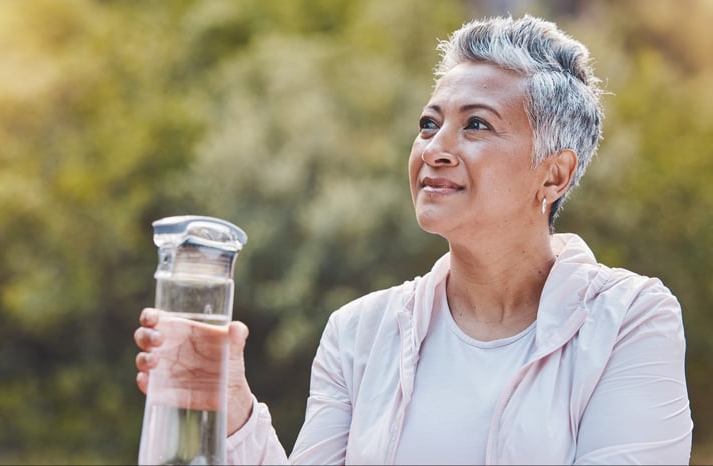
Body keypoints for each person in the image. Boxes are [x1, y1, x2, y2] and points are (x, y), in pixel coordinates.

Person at [134, 15, 693, 464]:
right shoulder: (359, 332)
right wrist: (232, 406)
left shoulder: (629, 320)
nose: (435, 149)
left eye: (476, 125)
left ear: (553, 174)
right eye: (430, 124)